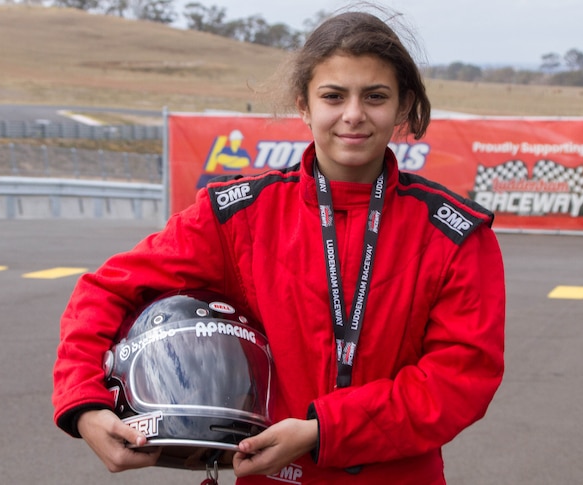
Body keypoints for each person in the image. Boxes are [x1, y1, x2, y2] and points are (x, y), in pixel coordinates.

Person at [52, 6, 505, 485]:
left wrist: (322, 429)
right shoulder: (237, 215)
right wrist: (84, 405)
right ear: (304, 104)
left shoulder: (454, 234)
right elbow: (105, 291)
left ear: (402, 104)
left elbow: (459, 380)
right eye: (334, 96)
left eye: (374, 96)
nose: (353, 115)